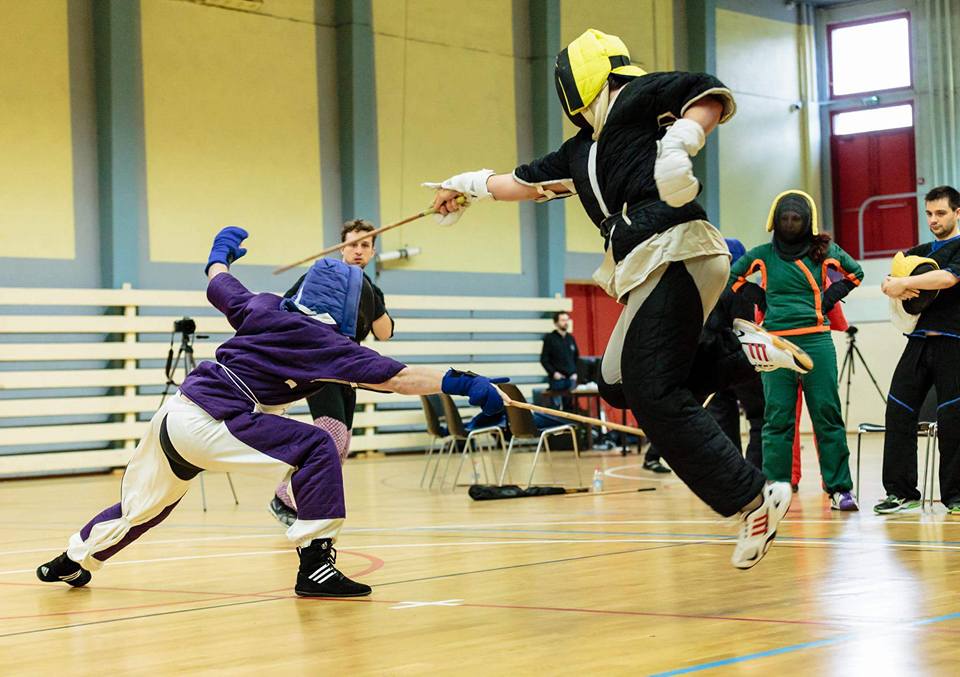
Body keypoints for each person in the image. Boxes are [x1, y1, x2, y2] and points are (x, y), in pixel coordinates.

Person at [425, 28, 811, 568]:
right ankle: (738, 357)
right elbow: (516, 182)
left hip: (675, 248)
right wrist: (460, 188)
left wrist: (681, 143)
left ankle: (753, 498)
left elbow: (707, 93)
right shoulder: (580, 152)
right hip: (648, 266)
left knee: (654, 392)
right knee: (617, 384)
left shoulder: (635, 99)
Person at [36, 227, 507, 597]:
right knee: (318, 445)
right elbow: (400, 377)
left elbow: (219, 284)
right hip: (217, 419)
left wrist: (219, 252)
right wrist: (463, 382)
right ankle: (317, 567)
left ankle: (73, 560)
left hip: (175, 415)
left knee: (143, 507)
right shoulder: (326, 343)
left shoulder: (262, 308)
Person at [728, 190, 863, 511]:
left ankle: (839, 489)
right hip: (775, 345)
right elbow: (732, 276)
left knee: (828, 416)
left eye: (796, 218)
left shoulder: (824, 251)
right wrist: (759, 297)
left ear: (808, 222)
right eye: (784, 218)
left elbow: (856, 273)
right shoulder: (763, 254)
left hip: (817, 342)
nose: (790, 223)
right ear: (774, 222)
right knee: (777, 419)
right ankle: (776, 486)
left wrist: (827, 300)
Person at [269, 219, 394, 526]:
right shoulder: (319, 274)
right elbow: (286, 308)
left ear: (373, 252)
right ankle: (285, 498)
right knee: (332, 436)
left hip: (348, 371)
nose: (358, 250)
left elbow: (385, 333)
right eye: (353, 244)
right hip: (321, 366)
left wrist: (370, 295)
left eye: (366, 245)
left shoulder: (369, 288)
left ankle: (296, 499)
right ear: (341, 247)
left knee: (340, 448)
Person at [643, 238, 764, 474]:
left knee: (723, 422)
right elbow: (746, 329)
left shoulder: (701, 288)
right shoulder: (739, 290)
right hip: (739, 361)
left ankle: (734, 474)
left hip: (709, 366)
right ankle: (754, 473)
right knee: (760, 417)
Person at [875, 185, 960, 515]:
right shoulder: (918, 251)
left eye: (940, 213)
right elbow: (889, 279)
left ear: (957, 213)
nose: (934, 220)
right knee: (898, 409)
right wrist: (889, 285)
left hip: (953, 342)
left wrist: (905, 284)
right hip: (919, 342)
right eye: (929, 214)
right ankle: (901, 492)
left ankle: (954, 495)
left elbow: (947, 279)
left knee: (953, 418)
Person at [540, 311, 580, 410]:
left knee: (571, 406)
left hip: (571, 378)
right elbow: (544, 359)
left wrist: (575, 372)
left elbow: (576, 358)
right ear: (556, 322)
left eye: (567, 320)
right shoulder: (550, 338)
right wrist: (554, 373)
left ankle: (571, 424)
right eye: (562, 320)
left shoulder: (571, 338)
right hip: (557, 380)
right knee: (556, 406)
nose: (566, 322)